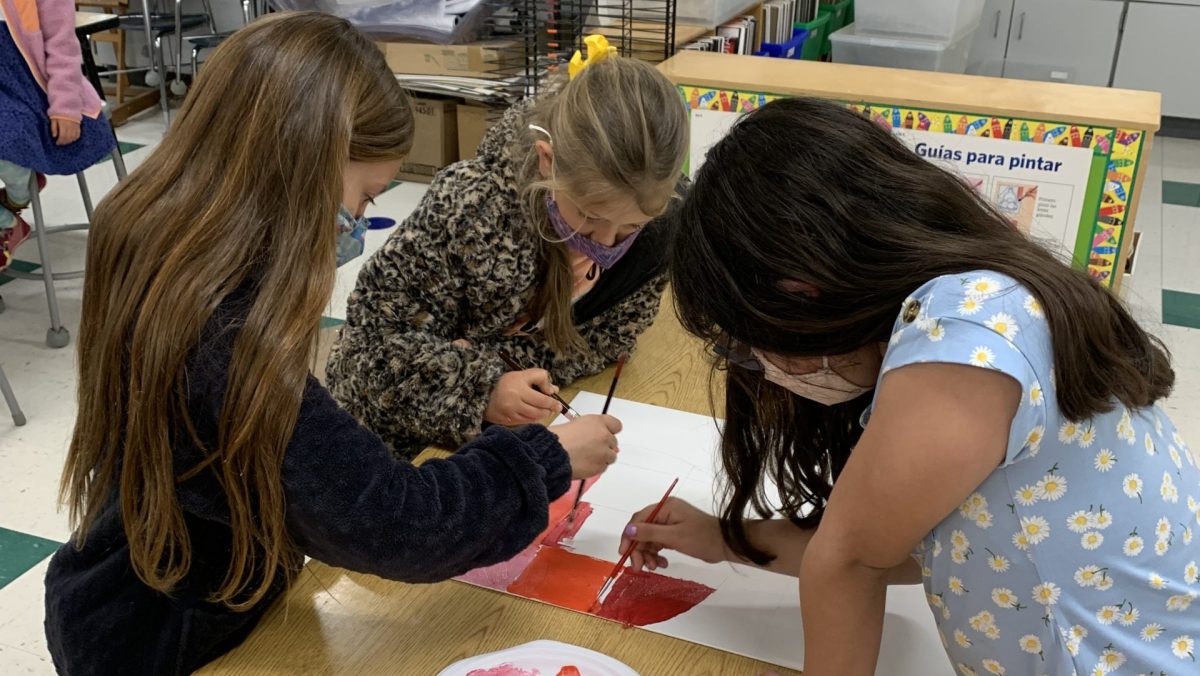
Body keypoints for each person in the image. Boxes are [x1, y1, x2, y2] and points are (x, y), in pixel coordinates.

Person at [44, 13, 621, 675]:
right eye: (363, 197)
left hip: (144, 593)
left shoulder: (162, 242)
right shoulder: (224, 336)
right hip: (168, 643)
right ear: (300, 174)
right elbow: (399, 524)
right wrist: (543, 459)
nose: (356, 226)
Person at [620, 97, 1197, 675]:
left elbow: (849, 563)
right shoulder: (992, 303)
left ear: (799, 289)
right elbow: (895, 544)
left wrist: (824, 558)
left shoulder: (961, 334)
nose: (760, 369)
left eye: (746, 346)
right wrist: (725, 538)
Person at [325, 37, 688, 455]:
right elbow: (365, 352)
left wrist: (498, 363)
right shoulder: (470, 210)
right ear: (547, 161)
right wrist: (484, 388)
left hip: (501, 441)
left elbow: (609, 339)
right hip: (396, 457)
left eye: (630, 227)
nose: (604, 244)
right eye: (589, 216)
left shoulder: (660, 230)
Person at [0, 0, 117, 270]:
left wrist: (65, 107)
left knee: (9, 137)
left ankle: (18, 195)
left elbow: (61, 44)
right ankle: (7, 219)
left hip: (33, 90)